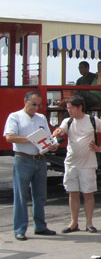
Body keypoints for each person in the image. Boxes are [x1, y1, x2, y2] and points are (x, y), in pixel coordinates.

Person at [53, 95, 101, 233]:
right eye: (67, 108)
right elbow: (61, 129)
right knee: (72, 192)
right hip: (71, 163)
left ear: (80, 107)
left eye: (71, 108)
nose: (69, 111)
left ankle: (89, 223)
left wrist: (100, 148)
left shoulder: (93, 121)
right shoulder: (68, 121)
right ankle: (73, 222)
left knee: (88, 193)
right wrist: (58, 131)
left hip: (87, 164)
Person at [3, 91, 57, 240]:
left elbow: (48, 136)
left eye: (39, 105)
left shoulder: (41, 118)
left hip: (40, 159)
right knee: (21, 195)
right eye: (34, 104)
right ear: (25, 101)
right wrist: (30, 139)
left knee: (40, 196)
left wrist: (52, 145)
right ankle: (20, 229)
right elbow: (9, 137)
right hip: (23, 159)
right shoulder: (15, 116)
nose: (36, 108)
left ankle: (40, 226)